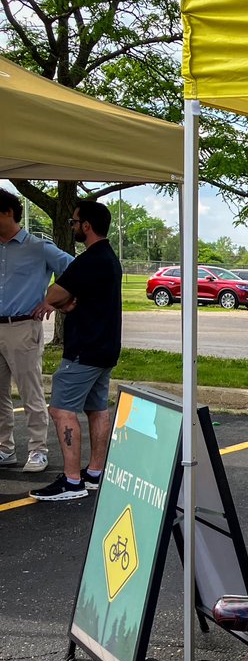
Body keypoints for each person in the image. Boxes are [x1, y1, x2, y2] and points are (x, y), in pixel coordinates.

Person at [29, 201, 121, 502]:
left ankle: (71, 482)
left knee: (61, 410)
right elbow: (71, 297)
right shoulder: (109, 258)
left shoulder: (90, 260)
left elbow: (53, 294)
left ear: (87, 226)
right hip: (105, 348)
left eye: (74, 221)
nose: (71, 226)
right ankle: (94, 473)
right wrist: (68, 302)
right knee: (96, 408)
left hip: (84, 349)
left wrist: (62, 302)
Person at [0, 188, 73, 472]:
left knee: (30, 393)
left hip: (23, 328)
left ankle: (38, 450)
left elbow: (75, 271)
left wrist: (54, 300)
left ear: (8, 213)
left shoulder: (38, 247)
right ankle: (5, 449)